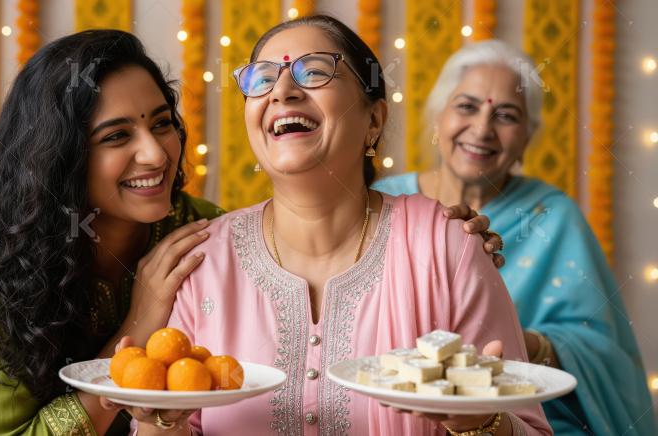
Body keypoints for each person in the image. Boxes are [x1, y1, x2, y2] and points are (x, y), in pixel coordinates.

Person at [0, 29, 496, 435]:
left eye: (162, 124)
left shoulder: (197, 231)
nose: (155, 152)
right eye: (117, 136)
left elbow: (307, 220)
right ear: (59, 157)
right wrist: (140, 325)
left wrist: (441, 238)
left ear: (374, 116)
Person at [127, 16, 552, 435]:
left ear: (374, 120)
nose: (283, 92)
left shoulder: (445, 247)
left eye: (313, 72)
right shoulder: (203, 261)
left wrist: (483, 421)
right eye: (262, 80)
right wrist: (160, 421)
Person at [373, 39, 656, 435]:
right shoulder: (388, 201)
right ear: (439, 117)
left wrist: (521, 345)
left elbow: (606, 352)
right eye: (467, 106)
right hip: (393, 407)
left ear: (526, 137)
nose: (483, 128)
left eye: (506, 115)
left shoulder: (552, 216)